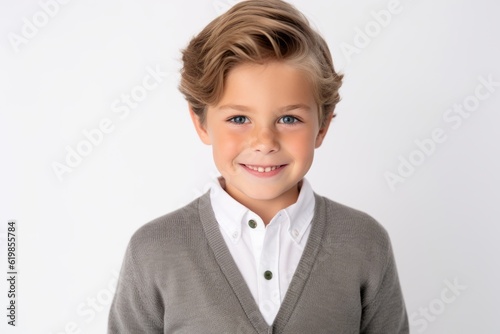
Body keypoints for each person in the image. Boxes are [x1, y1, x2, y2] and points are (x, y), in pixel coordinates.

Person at [108, 0, 409, 332]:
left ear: (322, 127)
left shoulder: (363, 242)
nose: (264, 141)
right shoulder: (155, 250)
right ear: (202, 124)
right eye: (239, 118)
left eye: (288, 118)